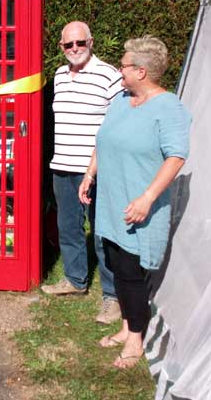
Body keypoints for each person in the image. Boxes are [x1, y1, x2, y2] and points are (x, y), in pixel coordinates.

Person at [79, 36, 191, 369]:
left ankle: (136, 339)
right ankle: (127, 325)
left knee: (129, 272)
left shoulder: (170, 107)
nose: (119, 69)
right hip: (112, 200)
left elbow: (176, 156)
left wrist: (147, 198)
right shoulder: (121, 101)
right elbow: (104, 138)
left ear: (141, 71)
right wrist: (89, 175)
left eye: (124, 65)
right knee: (114, 265)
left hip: (137, 205)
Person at [41, 21, 123, 325]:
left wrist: (95, 168)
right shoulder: (60, 75)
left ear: (91, 41)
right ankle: (75, 280)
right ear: (61, 47)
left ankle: (112, 296)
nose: (74, 49)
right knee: (68, 227)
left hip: (97, 169)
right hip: (62, 165)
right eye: (68, 45)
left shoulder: (109, 75)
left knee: (102, 233)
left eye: (80, 43)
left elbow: (116, 127)